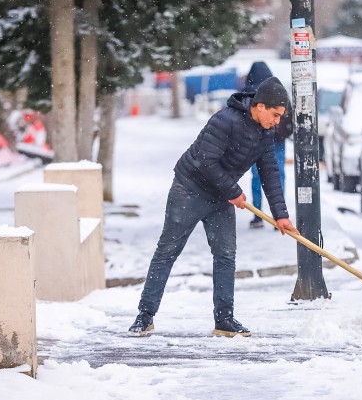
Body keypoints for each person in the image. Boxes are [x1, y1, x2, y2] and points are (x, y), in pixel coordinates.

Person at [128, 76, 299, 338]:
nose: (277, 122)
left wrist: (281, 215)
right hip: (189, 189)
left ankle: (224, 320)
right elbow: (206, 162)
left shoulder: (266, 132)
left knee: (225, 255)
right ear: (260, 106)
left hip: (220, 196)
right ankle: (145, 316)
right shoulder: (225, 120)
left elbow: (269, 172)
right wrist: (233, 191)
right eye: (275, 115)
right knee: (167, 251)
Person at [243, 63, 294, 229]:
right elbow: (289, 118)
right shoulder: (277, 91)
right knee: (277, 175)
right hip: (277, 140)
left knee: (257, 176)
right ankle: (278, 216)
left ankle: (257, 215)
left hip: (255, 140)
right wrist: (279, 131)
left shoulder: (249, 92)